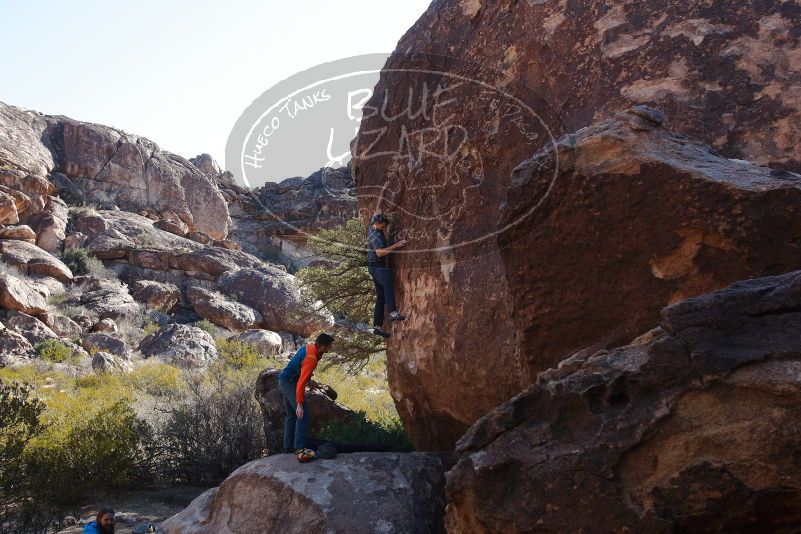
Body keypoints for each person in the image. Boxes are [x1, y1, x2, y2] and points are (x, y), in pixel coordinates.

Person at [278, 333, 335, 460]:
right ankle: (299, 449)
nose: (330, 348)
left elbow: (302, 368)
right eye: (329, 346)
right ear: (322, 347)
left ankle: (287, 448)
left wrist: (309, 380)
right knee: (303, 415)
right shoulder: (312, 358)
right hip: (289, 383)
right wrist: (299, 403)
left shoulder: (309, 347)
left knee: (291, 415)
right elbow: (300, 382)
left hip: (283, 380)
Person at [367, 213, 407, 338]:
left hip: (372, 268)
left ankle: (377, 326)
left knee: (380, 296)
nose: (384, 228)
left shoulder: (371, 228)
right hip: (379, 266)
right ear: (378, 223)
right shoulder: (377, 236)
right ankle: (393, 312)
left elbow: (376, 211)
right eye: (383, 225)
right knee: (388, 286)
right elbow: (379, 253)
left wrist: (382, 194)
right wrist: (397, 245)